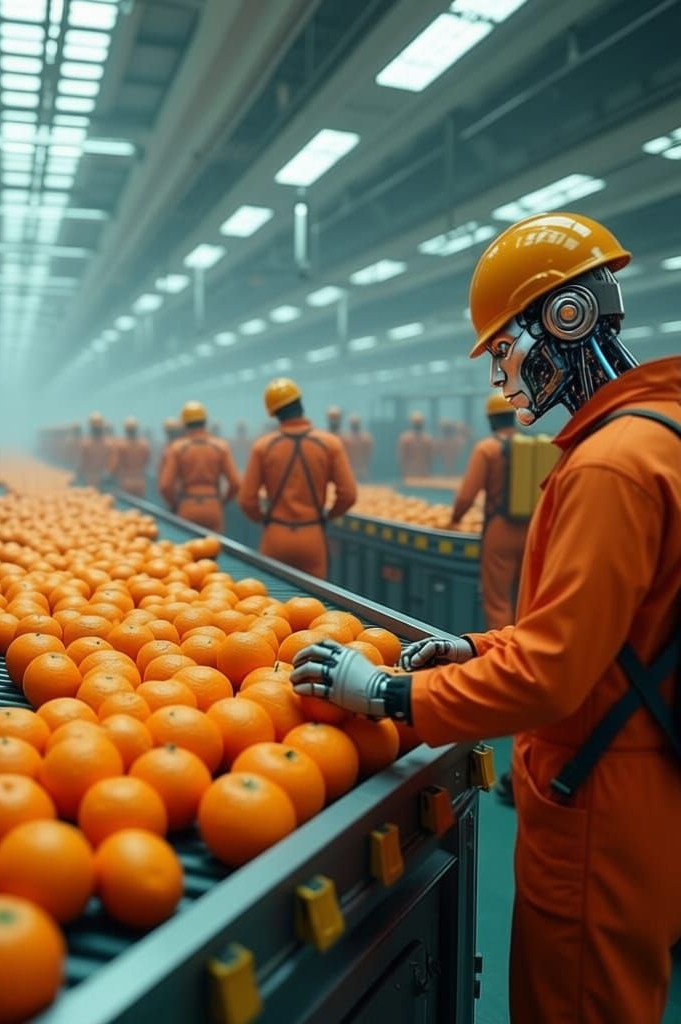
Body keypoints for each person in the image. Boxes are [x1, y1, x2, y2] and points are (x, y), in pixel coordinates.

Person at [290, 211, 681, 1024]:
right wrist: (474, 646)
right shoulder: (660, 436)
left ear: (564, 319)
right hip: (649, 764)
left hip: (597, 795)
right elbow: (606, 632)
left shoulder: (609, 467)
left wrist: (391, 697)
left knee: (573, 1002)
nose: (502, 378)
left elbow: (553, 672)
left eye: (506, 349)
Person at [238, 378, 357, 579]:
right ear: (301, 404)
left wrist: (264, 519)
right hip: (312, 534)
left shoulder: (263, 447)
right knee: (312, 605)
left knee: (272, 605)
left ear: (274, 413)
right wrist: (327, 517)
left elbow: (246, 500)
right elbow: (348, 495)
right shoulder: (330, 444)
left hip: (276, 535)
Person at [451, 394, 528, 631]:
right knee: (527, 597)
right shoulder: (535, 446)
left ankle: (500, 655)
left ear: (491, 420)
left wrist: (454, 519)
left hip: (500, 530)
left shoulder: (487, 448)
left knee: (498, 600)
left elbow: (466, 495)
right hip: (533, 531)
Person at [159, 400, 240, 532]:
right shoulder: (220, 447)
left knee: (186, 550)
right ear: (205, 421)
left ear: (184, 424)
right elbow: (236, 484)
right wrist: (222, 502)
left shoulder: (177, 448)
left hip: (187, 506)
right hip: (213, 506)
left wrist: (175, 504)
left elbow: (165, 486)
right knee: (214, 548)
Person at [112, 416, 150, 497]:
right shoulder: (144, 444)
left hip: (126, 482)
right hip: (140, 482)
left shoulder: (121, 445)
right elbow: (147, 462)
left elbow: (115, 466)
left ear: (126, 430)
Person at [77, 411, 116, 487]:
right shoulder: (109, 445)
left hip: (92, 480)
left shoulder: (86, 444)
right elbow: (113, 463)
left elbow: (82, 463)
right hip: (102, 481)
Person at [397, 411, 434, 478]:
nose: (418, 425)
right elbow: (402, 457)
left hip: (420, 473)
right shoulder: (406, 439)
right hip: (412, 473)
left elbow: (430, 457)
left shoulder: (427, 439)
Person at [343, 413, 374, 480]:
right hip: (352, 472)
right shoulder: (346, 440)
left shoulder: (366, 439)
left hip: (362, 472)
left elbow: (368, 456)